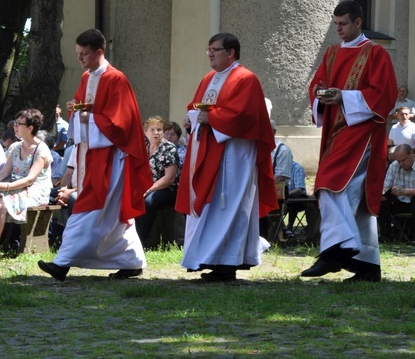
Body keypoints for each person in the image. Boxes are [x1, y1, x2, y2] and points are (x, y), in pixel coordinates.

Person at [38, 29, 152, 281]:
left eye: (84, 54)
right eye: (77, 53)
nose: (79, 59)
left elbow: (121, 123)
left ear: (99, 52)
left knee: (92, 208)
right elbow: (82, 112)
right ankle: (131, 260)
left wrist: (89, 117)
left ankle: (62, 263)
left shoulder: (116, 79)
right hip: (91, 154)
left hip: (112, 157)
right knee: (112, 214)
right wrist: (75, 111)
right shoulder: (86, 77)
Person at [300, 0, 397, 283]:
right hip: (336, 131)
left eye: (344, 24)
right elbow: (316, 83)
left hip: (362, 131)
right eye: (336, 25)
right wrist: (321, 94)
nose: (339, 29)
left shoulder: (376, 53)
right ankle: (367, 266)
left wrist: (344, 97)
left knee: (328, 183)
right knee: (356, 198)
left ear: (358, 22)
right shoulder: (331, 53)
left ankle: (336, 250)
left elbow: (385, 94)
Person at [175, 32, 277, 283]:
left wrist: (212, 118)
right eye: (208, 49)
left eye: (215, 49)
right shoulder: (209, 78)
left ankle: (227, 263)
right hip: (209, 152)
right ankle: (209, 258)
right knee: (211, 207)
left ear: (230, 53)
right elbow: (196, 107)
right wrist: (191, 119)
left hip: (235, 157)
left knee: (228, 205)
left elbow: (247, 118)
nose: (210, 54)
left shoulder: (246, 79)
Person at [0, 109, 53, 258]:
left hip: (35, 190)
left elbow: (30, 179)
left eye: (18, 124)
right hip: (15, 187)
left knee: (0, 199)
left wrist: (4, 186)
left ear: (30, 128)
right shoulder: (15, 147)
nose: (15, 127)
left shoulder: (41, 150)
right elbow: (4, 172)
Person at [135, 116, 179, 245]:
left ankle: (141, 242)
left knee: (149, 201)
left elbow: (169, 178)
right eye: (152, 130)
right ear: (145, 132)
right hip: (146, 186)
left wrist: (149, 189)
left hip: (167, 189)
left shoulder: (169, 148)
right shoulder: (144, 146)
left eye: (159, 130)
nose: (156, 133)